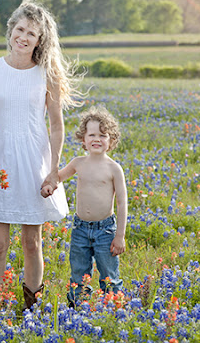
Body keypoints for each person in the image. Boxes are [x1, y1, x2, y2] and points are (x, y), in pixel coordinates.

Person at [0, 0, 80, 310]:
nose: (24, 37)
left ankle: (31, 304)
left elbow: (57, 126)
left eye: (32, 33)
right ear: (10, 31)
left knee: (32, 242)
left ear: (40, 39)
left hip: (34, 163)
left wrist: (54, 169)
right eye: (20, 29)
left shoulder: (47, 74)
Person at [42, 106, 127, 306]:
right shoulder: (78, 163)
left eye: (103, 135)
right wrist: (49, 186)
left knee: (109, 274)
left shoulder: (114, 168)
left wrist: (120, 235)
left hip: (105, 230)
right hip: (80, 228)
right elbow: (58, 177)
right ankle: (78, 308)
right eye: (92, 134)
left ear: (111, 140)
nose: (97, 139)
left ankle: (114, 307)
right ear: (83, 139)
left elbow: (122, 203)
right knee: (79, 272)